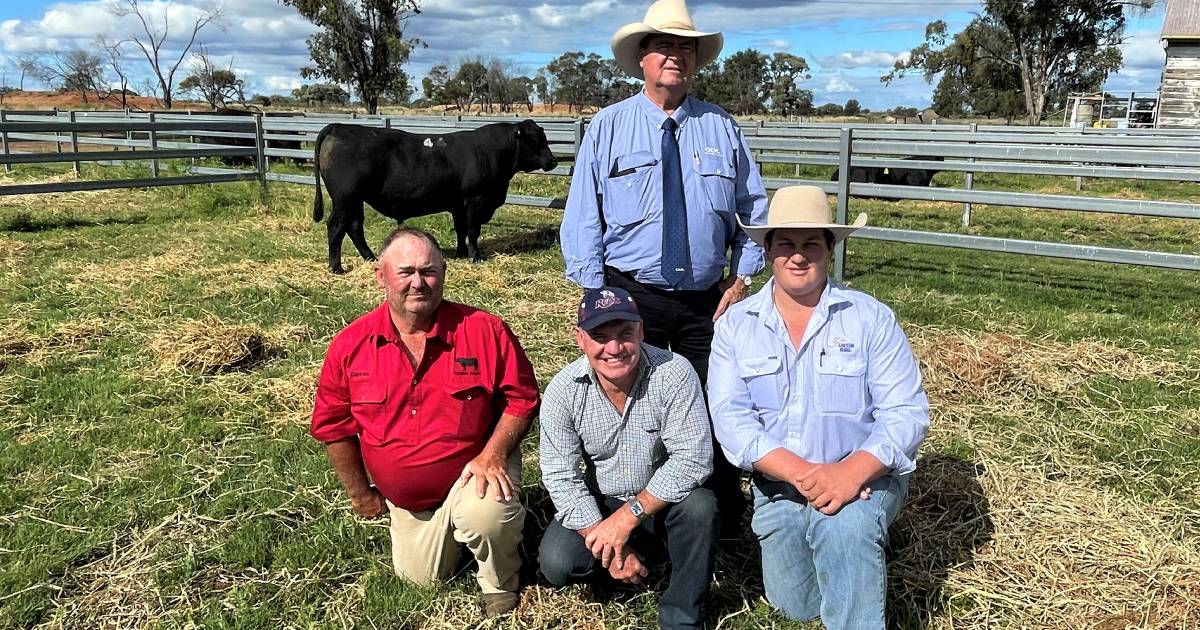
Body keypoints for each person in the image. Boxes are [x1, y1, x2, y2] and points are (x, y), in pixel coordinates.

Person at [559, 0, 769, 535]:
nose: (675, 55)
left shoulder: (723, 128)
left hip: (708, 298)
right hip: (631, 296)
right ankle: (625, 506)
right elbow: (584, 214)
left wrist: (741, 276)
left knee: (713, 403)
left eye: (685, 47)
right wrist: (592, 293)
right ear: (642, 59)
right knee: (634, 403)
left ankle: (716, 513)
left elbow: (754, 209)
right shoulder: (608, 127)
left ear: (695, 61)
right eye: (664, 46)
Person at [707, 186, 930, 630]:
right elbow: (732, 421)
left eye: (811, 243)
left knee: (842, 527)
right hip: (781, 484)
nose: (798, 256)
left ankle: (859, 538)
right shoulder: (735, 326)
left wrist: (850, 473)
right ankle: (851, 544)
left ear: (830, 248)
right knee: (797, 605)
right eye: (786, 243)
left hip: (864, 476)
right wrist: (805, 476)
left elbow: (906, 413)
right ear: (767, 248)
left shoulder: (870, 318)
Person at [310, 227, 540, 618]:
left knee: (485, 515)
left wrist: (494, 454)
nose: (419, 282)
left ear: (444, 274)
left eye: (429, 271)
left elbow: (523, 398)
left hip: (475, 471)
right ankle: (455, 536)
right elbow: (334, 426)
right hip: (406, 499)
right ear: (381, 276)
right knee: (420, 580)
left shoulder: (484, 330)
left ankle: (501, 581)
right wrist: (360, 493)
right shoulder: (350, 346)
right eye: (406, 272)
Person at [538, 286, 718, 630]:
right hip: (602, 500)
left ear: (641, 332)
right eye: (600, 336)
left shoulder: (674, 372)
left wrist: (626, 519)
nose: (614, 348)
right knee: (557, 563)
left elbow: (694, 458)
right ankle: (623, 563)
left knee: (700, 508)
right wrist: (607, 536)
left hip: (662, 500)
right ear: (580, 339)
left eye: (625, 334)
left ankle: (682, 616)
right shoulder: (563, 390)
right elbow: (561, 476)